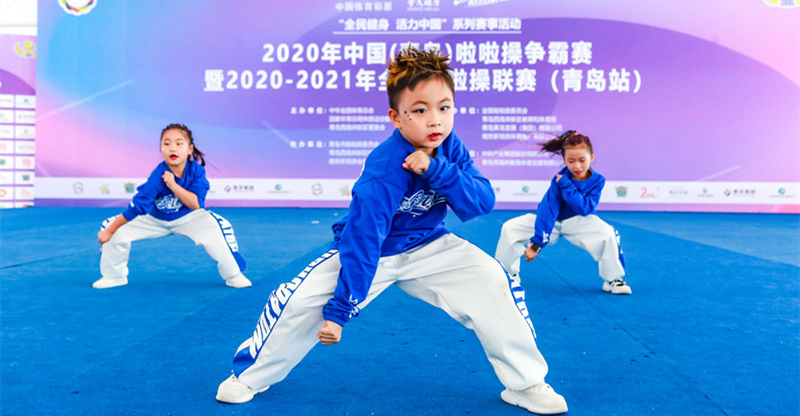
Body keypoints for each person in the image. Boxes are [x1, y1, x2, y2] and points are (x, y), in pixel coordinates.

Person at [216, 47, 568, 414]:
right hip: (376, 250)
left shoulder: (451, 147)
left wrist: (435, 169)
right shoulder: (384, 166)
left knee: (493, 281)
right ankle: (249, 376)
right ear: (396, 118)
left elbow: (481, 201)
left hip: (429, 244)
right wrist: (340, 311)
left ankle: (526, 384)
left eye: (444, 107)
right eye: (420, 110)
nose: (435, 121)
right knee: (298, 302)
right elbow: (363, 238)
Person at [92, 123, 251, 289]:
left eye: (179, 143)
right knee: (112, 228)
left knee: (218, 228)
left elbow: (196, 204)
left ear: (190, 149)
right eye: (166, 144)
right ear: (161, 148)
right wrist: (110, 231)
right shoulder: (157, 176)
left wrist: (173, 185)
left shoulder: (196, 171)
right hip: (154, 219)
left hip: (189, 218)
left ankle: (234, 275)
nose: (172, 148)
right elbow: (136, 208)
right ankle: (114, 277)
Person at [494, 130, 631, 295]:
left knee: (608, 234)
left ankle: (614, 279)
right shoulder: (558, 179)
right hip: (551, 222)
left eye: (582, 160)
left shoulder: (596, 180)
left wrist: (567, 185)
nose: (577, 166)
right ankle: (508, 276)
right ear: (564, 160)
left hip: (578, 221)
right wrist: (537, 243)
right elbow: (548, 210)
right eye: (571, 161)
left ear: (592, 157)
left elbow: (585, 209)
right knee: (510, 229)